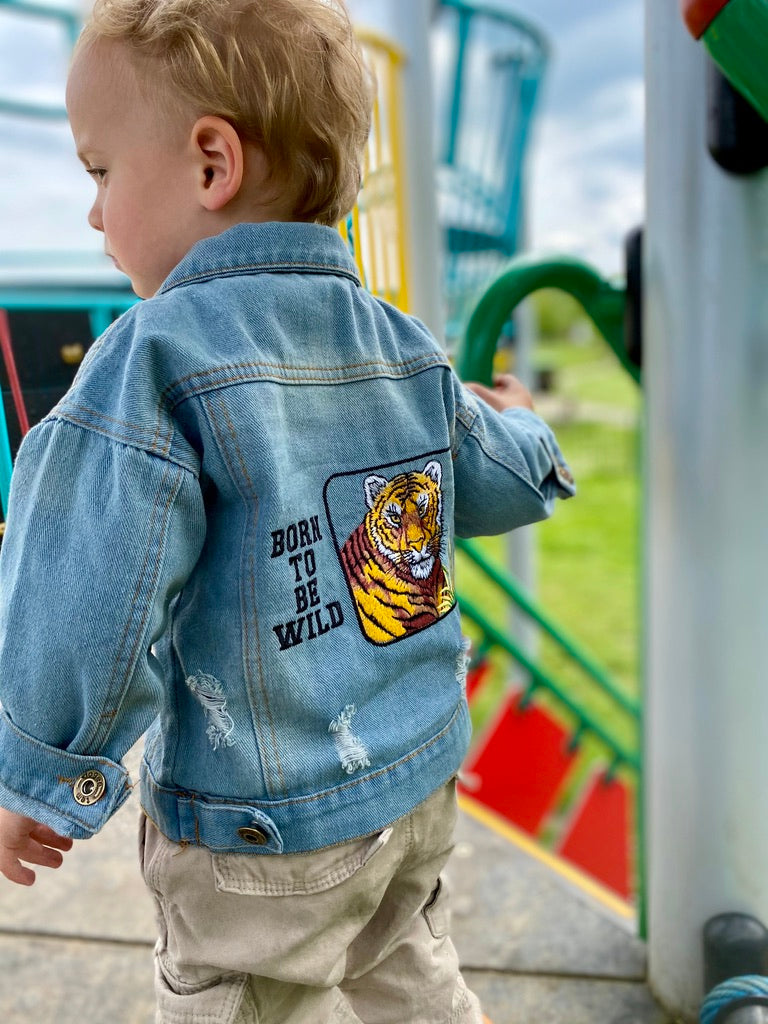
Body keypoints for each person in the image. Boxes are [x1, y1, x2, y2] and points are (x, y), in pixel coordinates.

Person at [0, 0, 575, 1021]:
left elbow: (89, 594)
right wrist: (531, 434)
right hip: (415, 778)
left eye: (100, 173)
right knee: (409, 964)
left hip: (259, 829)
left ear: (211, 163)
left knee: (251, 999)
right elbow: (488, 471)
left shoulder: (152, 363)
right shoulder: (404, 343)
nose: (92, 213)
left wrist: (31, 769)